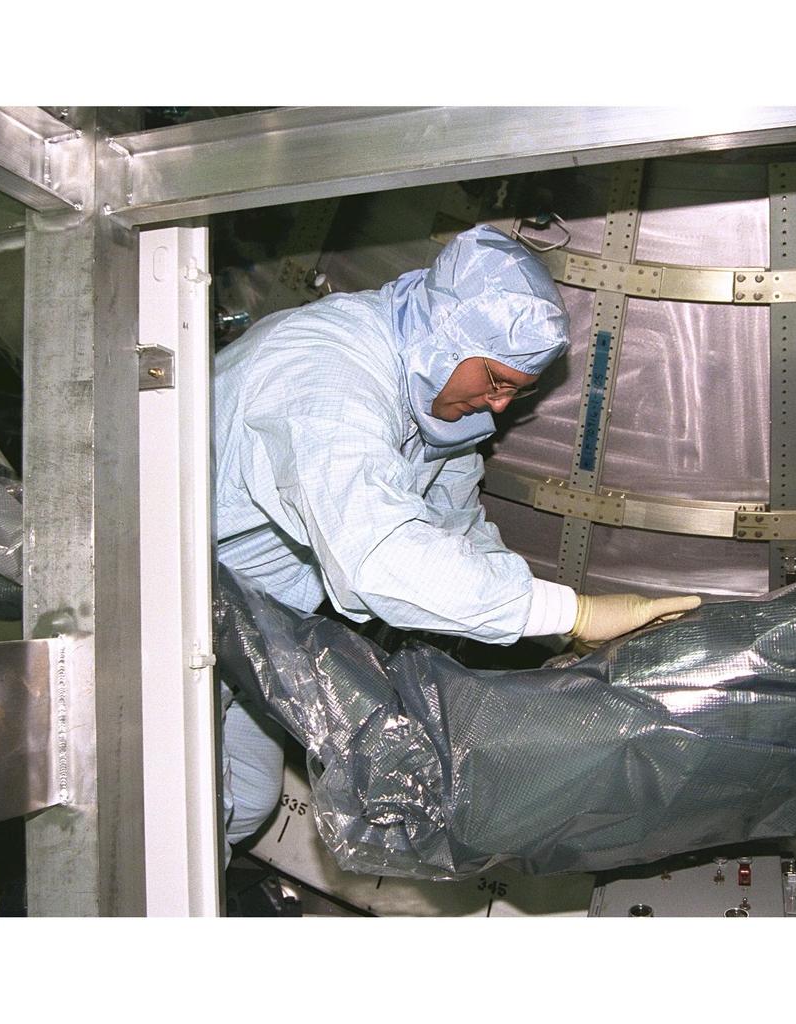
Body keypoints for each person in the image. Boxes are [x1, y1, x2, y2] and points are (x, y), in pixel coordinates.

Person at [214, 225, 700, 846]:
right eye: (496, 381)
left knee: (246, 806)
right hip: (163, 610)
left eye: (516, 393)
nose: (500, 407)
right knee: (187, 818)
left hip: (250, 629)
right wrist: (573, 612)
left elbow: (455, 531)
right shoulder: (326, 374)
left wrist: (557, 627)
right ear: (450, 335)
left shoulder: (435, 404)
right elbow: (382, 556)